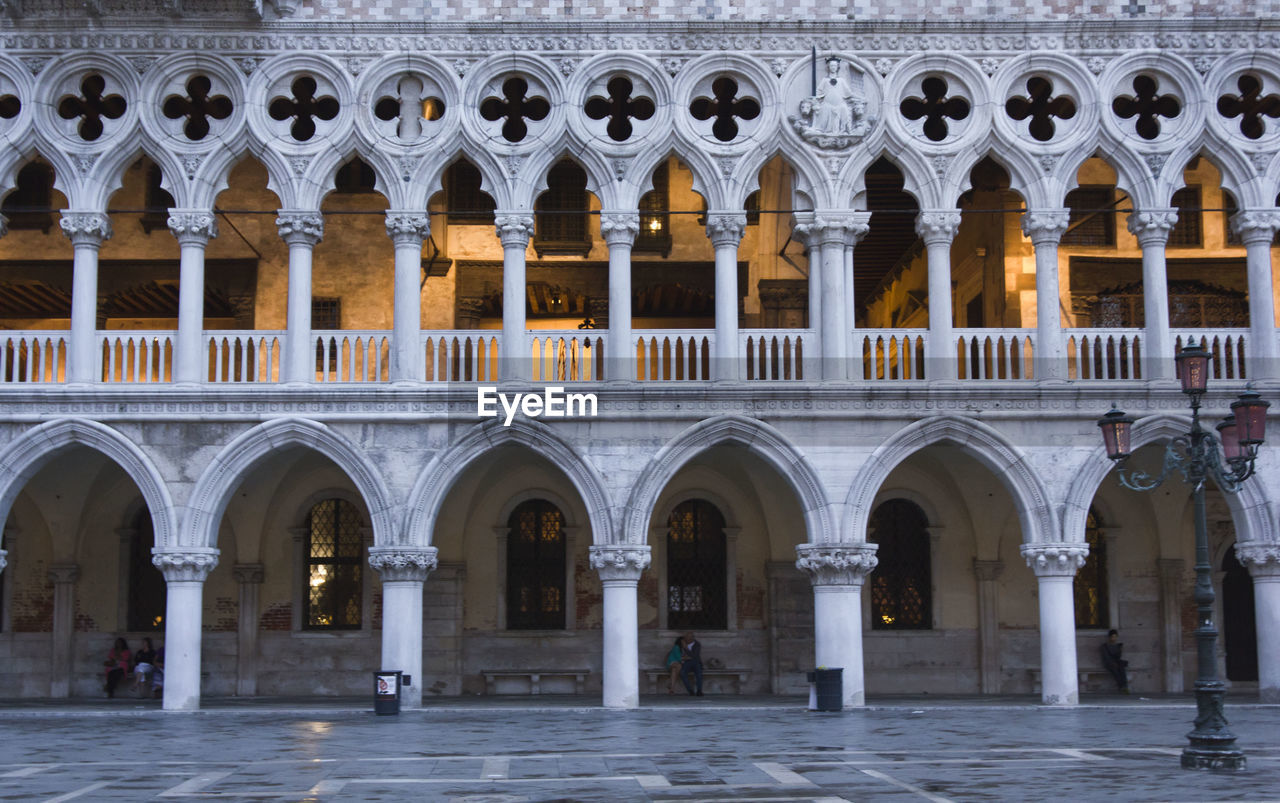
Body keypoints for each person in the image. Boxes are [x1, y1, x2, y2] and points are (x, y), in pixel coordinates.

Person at [1101, 629, 1129, 693]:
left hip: (1116, 662)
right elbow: (1106, 657)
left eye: (1115, 637)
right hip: (1109, 663)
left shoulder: (1117, 645)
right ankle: (1122, 687)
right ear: (1109, 637)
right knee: (1115, 670)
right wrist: (1112, 663)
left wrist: (1120, 649)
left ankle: (1125, 686)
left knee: (1122, 669)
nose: (1114, 638)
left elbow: (1118, 657)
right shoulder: (1104, 646)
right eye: (1112, 637)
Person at [680, 631, 704, 697]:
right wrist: (685, 657)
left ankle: (699, 691)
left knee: (699, 674)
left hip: (696, 662)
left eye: (689, 637)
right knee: (682, 673)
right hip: (686, 662)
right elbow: (680, 654)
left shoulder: (697, 644)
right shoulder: (681, 644)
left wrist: (686, 648)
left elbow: (694, 655)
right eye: (686, 637)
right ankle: (690, 690)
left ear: (692, 638)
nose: (687, 639)